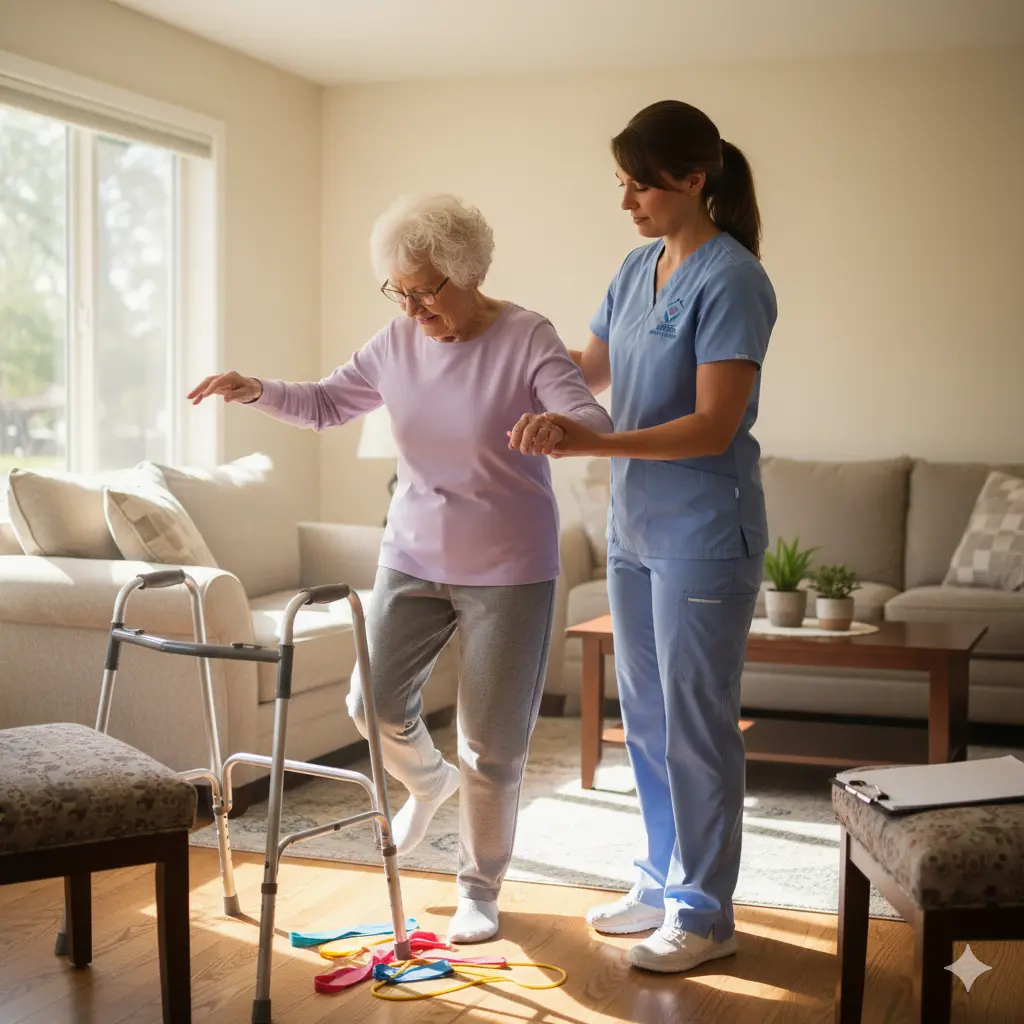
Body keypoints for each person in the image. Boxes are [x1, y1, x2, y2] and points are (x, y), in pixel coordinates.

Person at [189, 193, 613, 943]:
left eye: (427, 291)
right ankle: (426, 778)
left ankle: (479, 887)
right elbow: (324, 404)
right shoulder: (394, 343)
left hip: (511, 566)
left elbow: (596, 422)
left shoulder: (526, 337)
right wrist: (255, 389)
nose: (415, 309)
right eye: (402, 292)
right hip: (412, 556)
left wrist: (559, 426)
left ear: (469, 274)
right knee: (372, 699)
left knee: (491, 742)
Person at [510, 100, 777, 972]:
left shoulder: (733, 279)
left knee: (699, 724)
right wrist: (496, 354)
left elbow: (711, 425)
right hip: (636, 527)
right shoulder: (635, 268)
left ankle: (706, 914)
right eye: (621, 184)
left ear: (693, 181)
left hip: (702, 530)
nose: (627, 200)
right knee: (650, 720)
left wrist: (590, 438)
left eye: (640, 185)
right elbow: (583, 369)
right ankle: (661, 881)